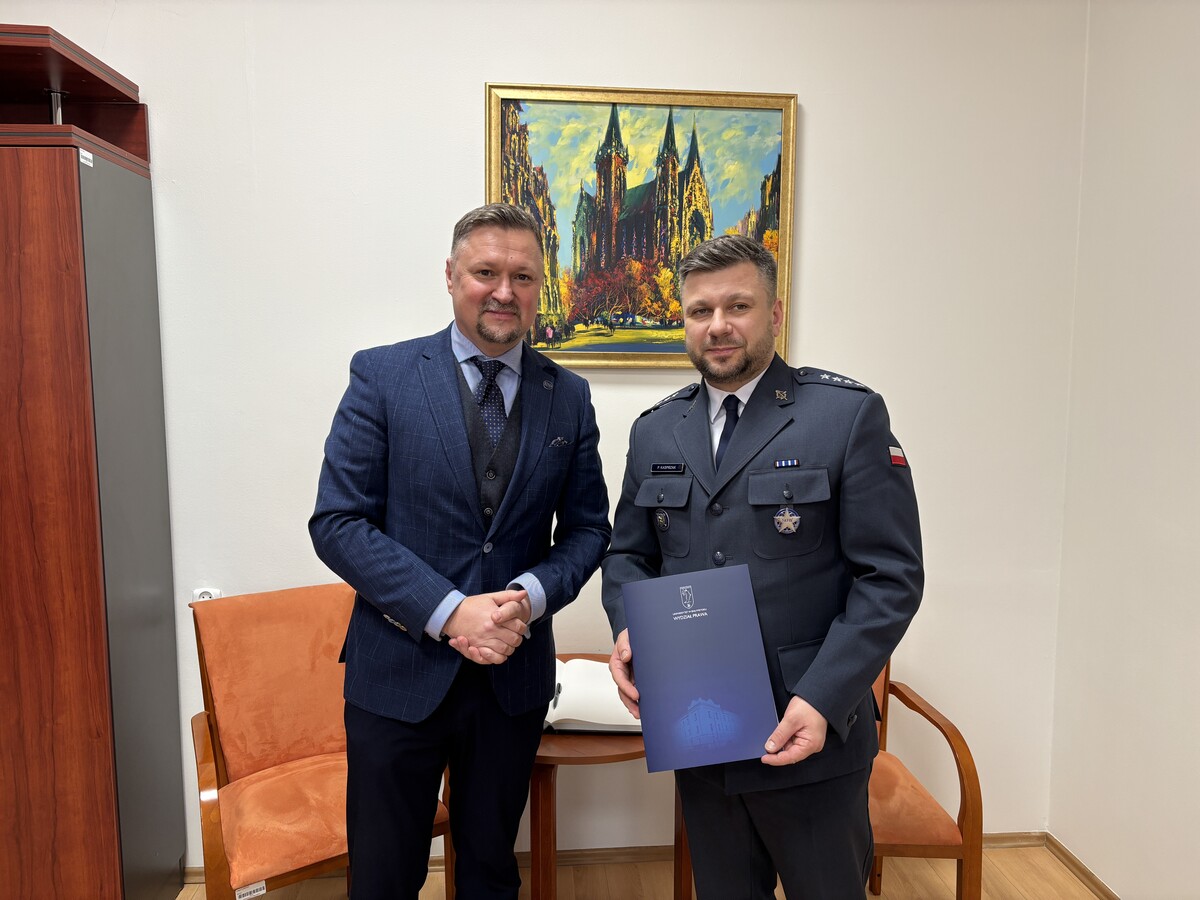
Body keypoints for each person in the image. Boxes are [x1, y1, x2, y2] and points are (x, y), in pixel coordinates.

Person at [601, 235, 922, 899]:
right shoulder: (655, 430)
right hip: (703, 732)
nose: (717, 325)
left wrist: (823, 697)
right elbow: (628, 554)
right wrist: (631, 629)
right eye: (699, 311)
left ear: (774, 313)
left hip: (809, 735)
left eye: (737, 306)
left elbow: (891, 578)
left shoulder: (844, 416)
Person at [310, 202, 611, 899]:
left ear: (540, 286)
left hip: (511, 682)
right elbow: (338, 522)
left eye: (522, 276)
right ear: (451, 275)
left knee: (489, 874)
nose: (504, 291)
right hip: (397, 674)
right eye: (485, 272)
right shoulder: (382, 376)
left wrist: (528, 598)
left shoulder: (568, 397)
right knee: (383, 880)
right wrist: (448, 611)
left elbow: (590, 530)